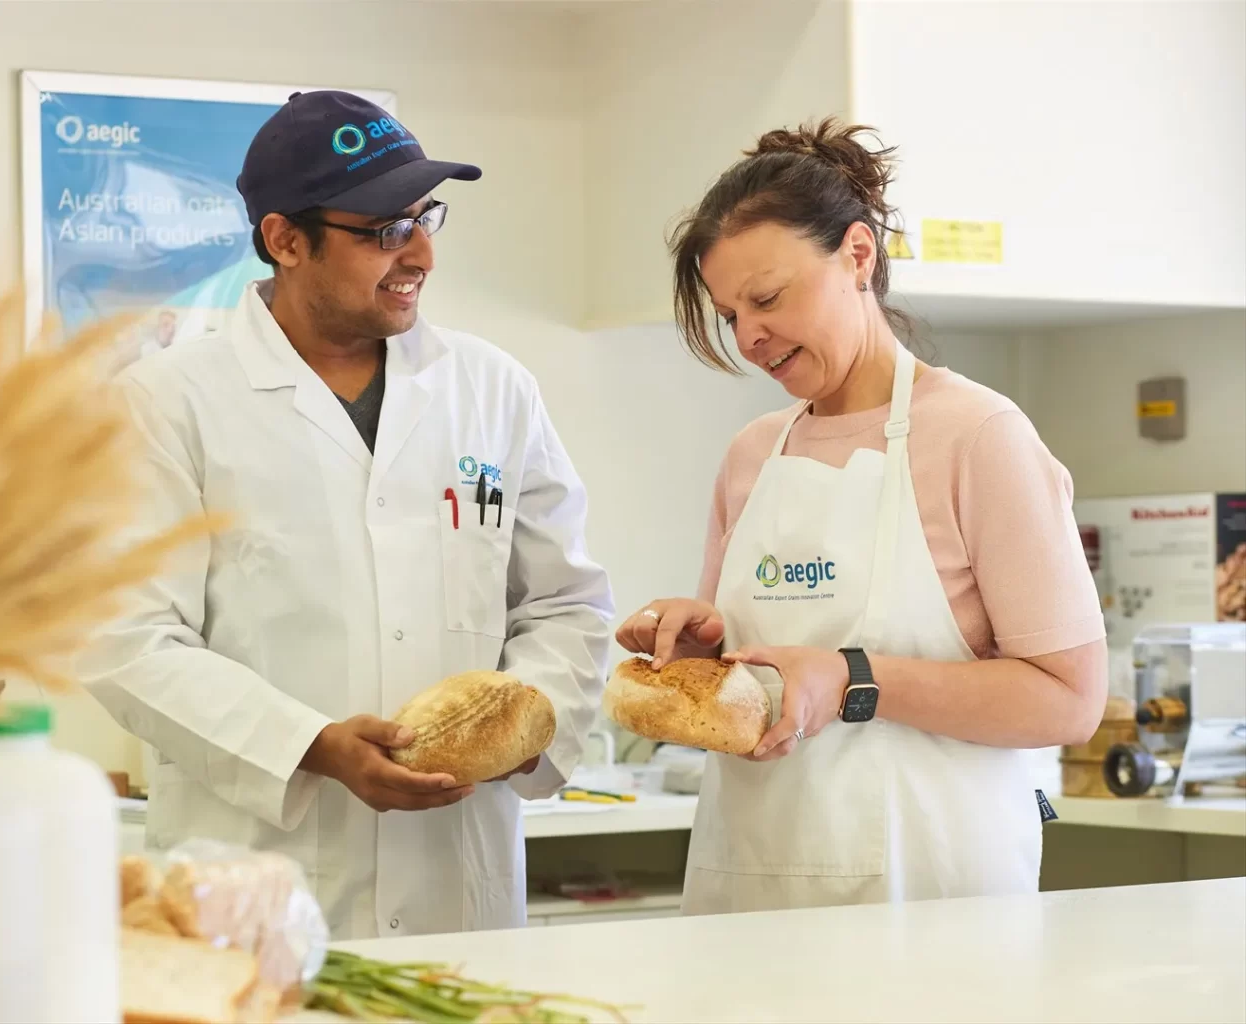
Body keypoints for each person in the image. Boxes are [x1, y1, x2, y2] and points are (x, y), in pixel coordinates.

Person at [80, 91, 614, 939]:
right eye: (383, 230)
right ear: (284, 240)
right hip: (259, 879)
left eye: (425, 217)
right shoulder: (166, 401)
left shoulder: (491, 389)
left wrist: (515, 731)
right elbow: (128, 640)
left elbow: (563, 604)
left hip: (458, 879)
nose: (422, 255)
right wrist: (310, 745)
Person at [615, 118, 1107, 916]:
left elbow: (1068, 701)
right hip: (750, 882)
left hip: (936, 900)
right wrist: (699, 647)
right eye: (729, 313)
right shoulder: (752, 455)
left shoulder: (979, 436)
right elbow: (740, 685)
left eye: (767, 299)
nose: (749, 336)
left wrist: (851, 678)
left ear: (856, 254)